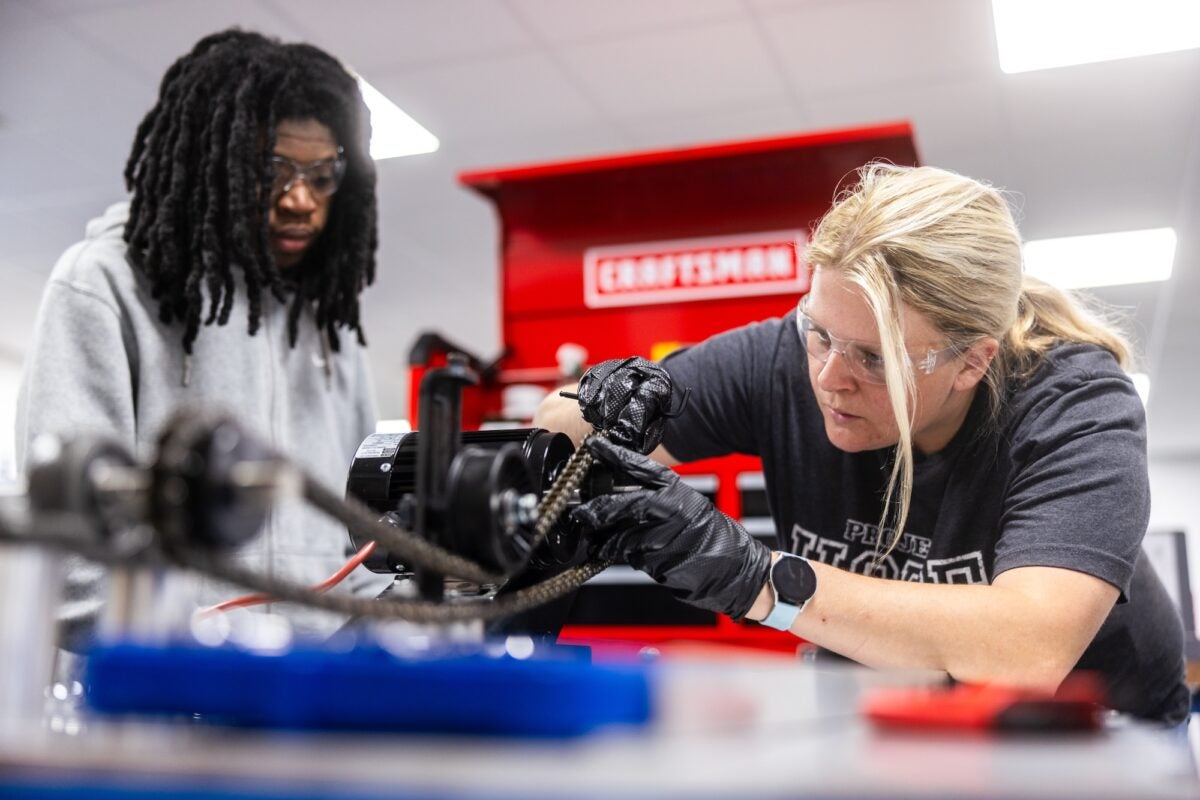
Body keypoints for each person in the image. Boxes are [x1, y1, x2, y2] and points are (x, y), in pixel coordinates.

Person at [536, 162, 1190, 725]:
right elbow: (554, 428)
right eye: (818, 333)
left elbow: (1027, 652)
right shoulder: (782, 358)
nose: (828, 378)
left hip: (1099, 721)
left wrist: (757, 579)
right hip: (911, 706)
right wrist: (599, 403)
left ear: (971, 362)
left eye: (875, 359)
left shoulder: (1074, 403)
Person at [17, 29, 389, 645]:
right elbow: (71, 547)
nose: (301, 200)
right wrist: (202, 658)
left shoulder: (329, 329)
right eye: (274, 170)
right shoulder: (104, 286)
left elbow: (361, 540)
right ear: (215, 161)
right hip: (155, 702)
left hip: (307, 703)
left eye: (323, 175)